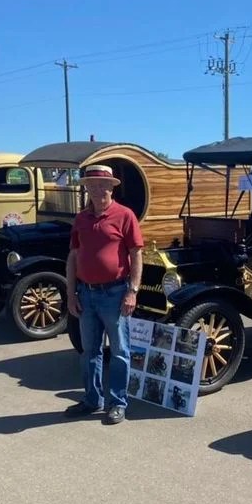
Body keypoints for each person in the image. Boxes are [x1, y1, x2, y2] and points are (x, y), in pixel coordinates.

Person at [66, 164, 144, 423]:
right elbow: (73, 256)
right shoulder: (81, 219)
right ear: (86, 188)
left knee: (120, 351)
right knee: (89, 351)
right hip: (86, 294)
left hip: (115, 293)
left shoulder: (125, 215)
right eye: (92, 185)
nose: (98, 190)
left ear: (112, 188)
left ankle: (118, 403)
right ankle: (92, 399)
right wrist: (71, 293)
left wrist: (132, 291)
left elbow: (136, 254)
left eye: (103, 185)